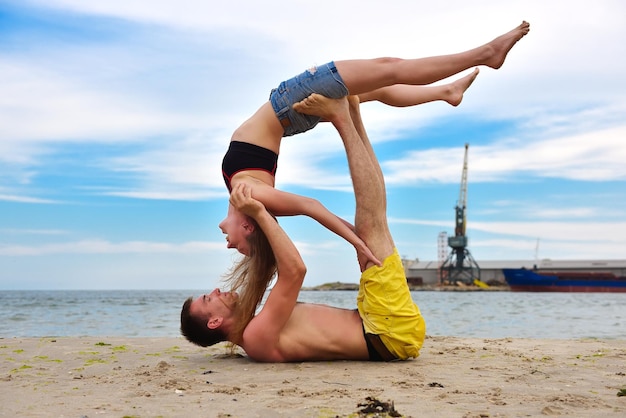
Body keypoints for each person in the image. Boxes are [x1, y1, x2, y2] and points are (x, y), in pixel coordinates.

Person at [220, 20, 530, 266]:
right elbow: (313, 207)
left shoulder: (244, 197)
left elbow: (307, 210)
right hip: (288, 105)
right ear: (249, 227)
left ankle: (446, 93)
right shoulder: (250, 195)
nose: (229, 243)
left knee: (380, 86)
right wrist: (357, 241)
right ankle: (486, 55)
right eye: (240, 247)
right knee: (389, 67)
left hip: (292, 113)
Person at [181, 93, 433, 361]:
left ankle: (352, 114)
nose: (216, 291)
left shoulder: (257, 329)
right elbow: (295, 271)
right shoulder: (255, 338)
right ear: (214, 322)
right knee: (372, 223)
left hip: (379, 322)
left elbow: (287, 268)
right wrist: (258, 212)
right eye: (208, 299)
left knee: (374, 224)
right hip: (386, 331)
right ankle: (343, 118)